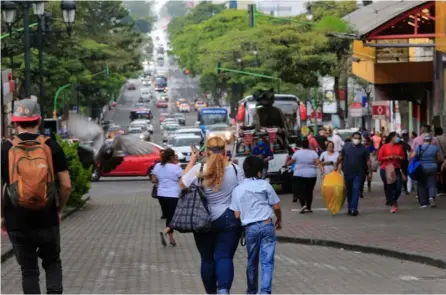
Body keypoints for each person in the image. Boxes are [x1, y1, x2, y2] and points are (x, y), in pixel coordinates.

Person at [1, 99, 72, 294]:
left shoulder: (5, 149)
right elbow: (66, 185)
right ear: (39, 120)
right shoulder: (52, 146)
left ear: (15, 122)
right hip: (47, 218)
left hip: (17, 219)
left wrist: (1, 217)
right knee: (52, 263)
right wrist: (59, 210)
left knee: (29, 271)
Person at [180, 136, 245, 294]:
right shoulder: (236, 169)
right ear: (225, 150)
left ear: (206, 151)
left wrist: (192, 160)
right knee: (224, 257)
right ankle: (224, 291)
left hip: (203, 220)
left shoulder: (199, 169)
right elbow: (243, 194)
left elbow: (182, 184)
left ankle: (211, 293)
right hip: (230, 218)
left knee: (207, 259)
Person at [230, 156, 282, 295]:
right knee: (267, 262)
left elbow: (236, 215)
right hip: (266, 226)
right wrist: (279, 219)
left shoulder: (238, 190)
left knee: (252, 262)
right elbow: (276, 206)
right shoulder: (265, 185)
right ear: (259, 172)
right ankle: (265, 291)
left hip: (250, 229)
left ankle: (251, 291)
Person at [152, 148, 182, 247]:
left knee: (169, 217)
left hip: (161, 195)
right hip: (173, 195)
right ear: (172, 156)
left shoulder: (157, 166)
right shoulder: (176, 168)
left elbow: (154, 180)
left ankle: (171, 238)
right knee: (173, 218)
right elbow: (182, 181)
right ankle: (165, 233)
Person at [336, 132, 371, 216]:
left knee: (356, 190)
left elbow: (368, 161)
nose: (357, 140)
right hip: (347, 173)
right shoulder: (346, 147)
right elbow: (340, 157)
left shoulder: (364, 149)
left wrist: (369, 171)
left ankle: (353, 209)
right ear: (352, 138)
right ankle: (349, 208)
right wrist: (336, 166)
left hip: (359, 174)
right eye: (355, 138)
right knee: (349, 191)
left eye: (358, 138)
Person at [287, 139, 324, 213]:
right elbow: (318, 162)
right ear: (309, 145)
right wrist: (323, 171)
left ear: (301, 145)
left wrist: (288, 163)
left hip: (298, 174)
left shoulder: (297, 153)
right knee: (309, 191)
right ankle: (309, 207)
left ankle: (303, 205)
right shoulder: (313, 153)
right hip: (311, 174)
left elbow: (290, 162)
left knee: (300, 190)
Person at [410, 134, 442, 208]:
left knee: (422, 184)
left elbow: (412, 156)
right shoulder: (435, 148)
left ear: (424, 140)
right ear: (430, 140)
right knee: (432, 183)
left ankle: (424, 202)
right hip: (433, 167)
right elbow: (439, 158)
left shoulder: (419, 147)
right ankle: (431, 197)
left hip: (422, 168)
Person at [377, 132, 405, 213]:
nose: (398, 138)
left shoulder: (400, 147)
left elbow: (403, 157)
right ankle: (392, 203)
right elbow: (379, 158)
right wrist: (388, 157)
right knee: (389, 186)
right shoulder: (384, 146)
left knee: (399, 187)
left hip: (396, 168)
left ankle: (393, 200)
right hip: (386, 168)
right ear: (392, 137)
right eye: (396, 137)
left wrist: (399, 157)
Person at [434, 126, 446, 195]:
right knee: (445, 174)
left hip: (438, 159)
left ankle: (440, 189)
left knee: (438, 174)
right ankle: (445, 189)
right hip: (445, 159)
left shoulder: (434, 139)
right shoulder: (445, 138)